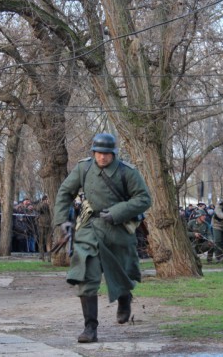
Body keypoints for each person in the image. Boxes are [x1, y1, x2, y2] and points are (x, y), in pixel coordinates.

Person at [53, 133, 152, 343]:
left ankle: (124, 299)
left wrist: (118, 211)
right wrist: (63, 220)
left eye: (107, 154)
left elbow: (144, 198)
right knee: (85, 275)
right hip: (90, 227)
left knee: (122, 272)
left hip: (118, 229)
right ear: (93, 152)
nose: (102, 158)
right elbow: (65, 192)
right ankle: (90, 328)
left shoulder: (127, 172)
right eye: (98, 153)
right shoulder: (84, 168)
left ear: (113, 153)